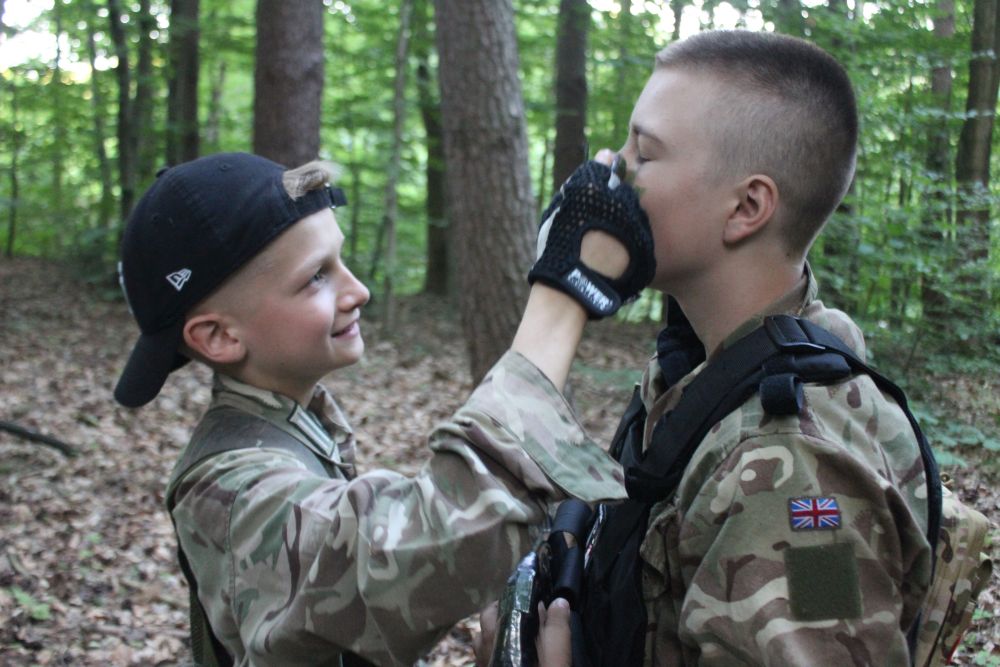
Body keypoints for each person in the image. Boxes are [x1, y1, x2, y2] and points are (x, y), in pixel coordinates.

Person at [481, 29, 933, 666]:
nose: (610, 169)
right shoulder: (700, 369)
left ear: (746, 206)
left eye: (644, 153)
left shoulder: (799, 474)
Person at [113, 151, 655, 666]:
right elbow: (432, 545)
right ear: (218, 337)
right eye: (316, 276)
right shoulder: (228, 490)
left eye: (341, 259)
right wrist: (566, 288)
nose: (359, 291)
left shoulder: (293, 425)